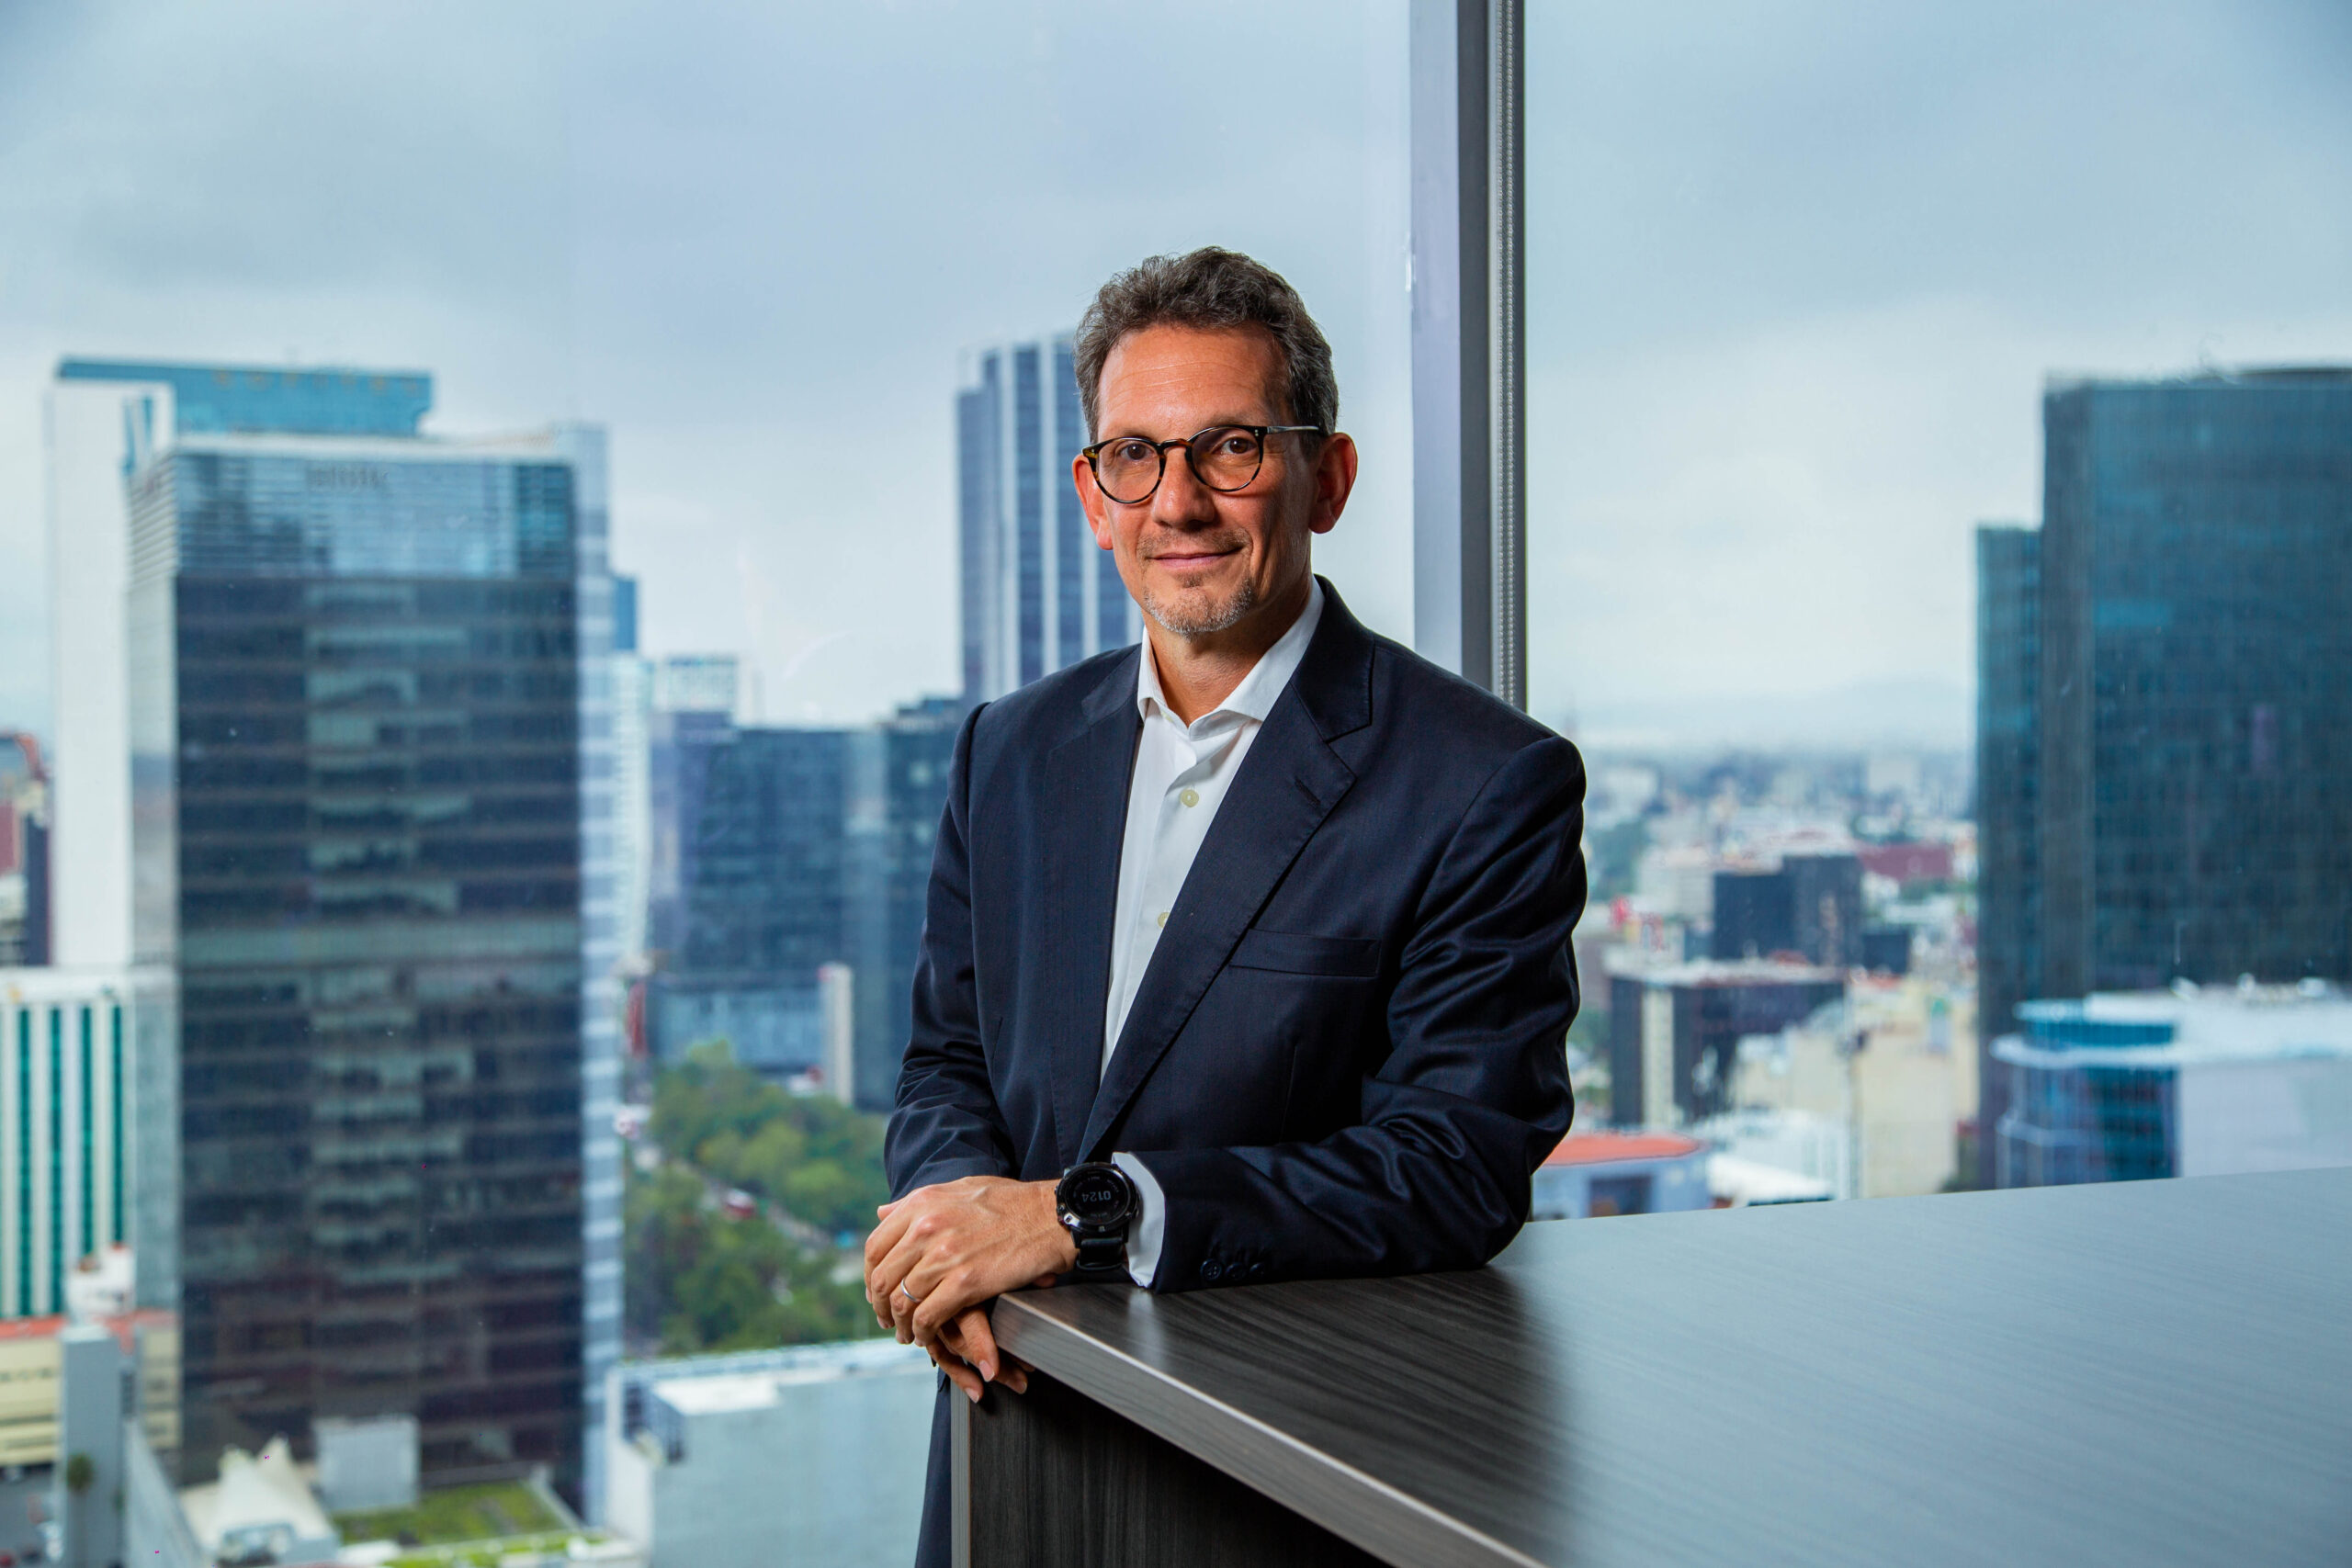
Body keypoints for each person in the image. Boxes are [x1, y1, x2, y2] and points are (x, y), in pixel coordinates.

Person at [866, 245, 1585, 1566]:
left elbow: (1454, 1164)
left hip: (1276, 1473)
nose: (1179, 501)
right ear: (1093, 496)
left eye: (1233, 448)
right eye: (1135, 457)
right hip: (1004, 1434)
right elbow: (947, 1059)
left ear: (1330, 478)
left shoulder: (1482, 781)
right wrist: (949, 1224)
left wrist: (1080, 1215)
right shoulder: (1008, 749)